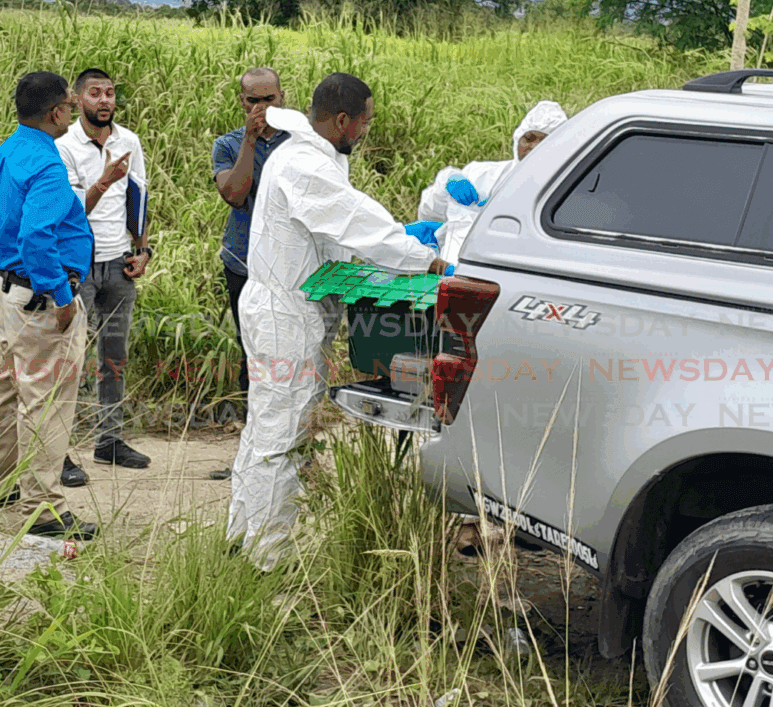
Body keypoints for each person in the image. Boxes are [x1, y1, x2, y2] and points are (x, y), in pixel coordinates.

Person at [227, 73, 450, 570]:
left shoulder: (305, 155)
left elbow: (334, 237)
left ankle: (240, 538)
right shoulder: (306, 164)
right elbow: (354, 220)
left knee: (264, 429)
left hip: (284, 307)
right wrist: (425, 259)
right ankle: (266, 559)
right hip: (286, 315)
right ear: (344, 120)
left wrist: (397, 247)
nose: (367, 132)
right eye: (366, 122)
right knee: (282, 438)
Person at [0, 71, 97, 540]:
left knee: (5, 390)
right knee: (46, 402)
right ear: (55, 113)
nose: (70, 111)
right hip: (41, 297)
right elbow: (35, 235)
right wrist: (62, 297)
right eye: (68, 105)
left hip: (8, 292)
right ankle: (44, 510)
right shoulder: (47, 164)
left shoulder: (7, 151)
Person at [55, 68, 152, 483]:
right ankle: (56, 454)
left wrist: (143, 248)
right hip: (77, 267)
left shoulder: (128, 141)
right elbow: (73, 211)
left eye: (110, 93)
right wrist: (104, 179)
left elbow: (139, 195)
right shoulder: (63, 147)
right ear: (78, 100)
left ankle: (109, 441)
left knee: (113, 358)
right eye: (95, 93)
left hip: (119, 263)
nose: (105, 100)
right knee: (66, 361)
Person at [212, 67, 289, 418]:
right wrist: (250, 140)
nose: (261, 108)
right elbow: (234, 194)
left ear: (282, 98)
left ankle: (290, 436)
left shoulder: (298, 142)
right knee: (251, 349)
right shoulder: (228, 144)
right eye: (253, 101)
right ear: (242, 101)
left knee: (290, 349)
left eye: (268, 100)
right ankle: (252, 436)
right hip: (243, 262)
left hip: (289, 264)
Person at [417, 100, 569, 262]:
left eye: (544, 140)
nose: (533, 146)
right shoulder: (482, 175)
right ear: (518, 138)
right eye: (529, 138)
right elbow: (428, 213)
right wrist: (444, 187)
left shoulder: (566, 189)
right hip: (452, 275)